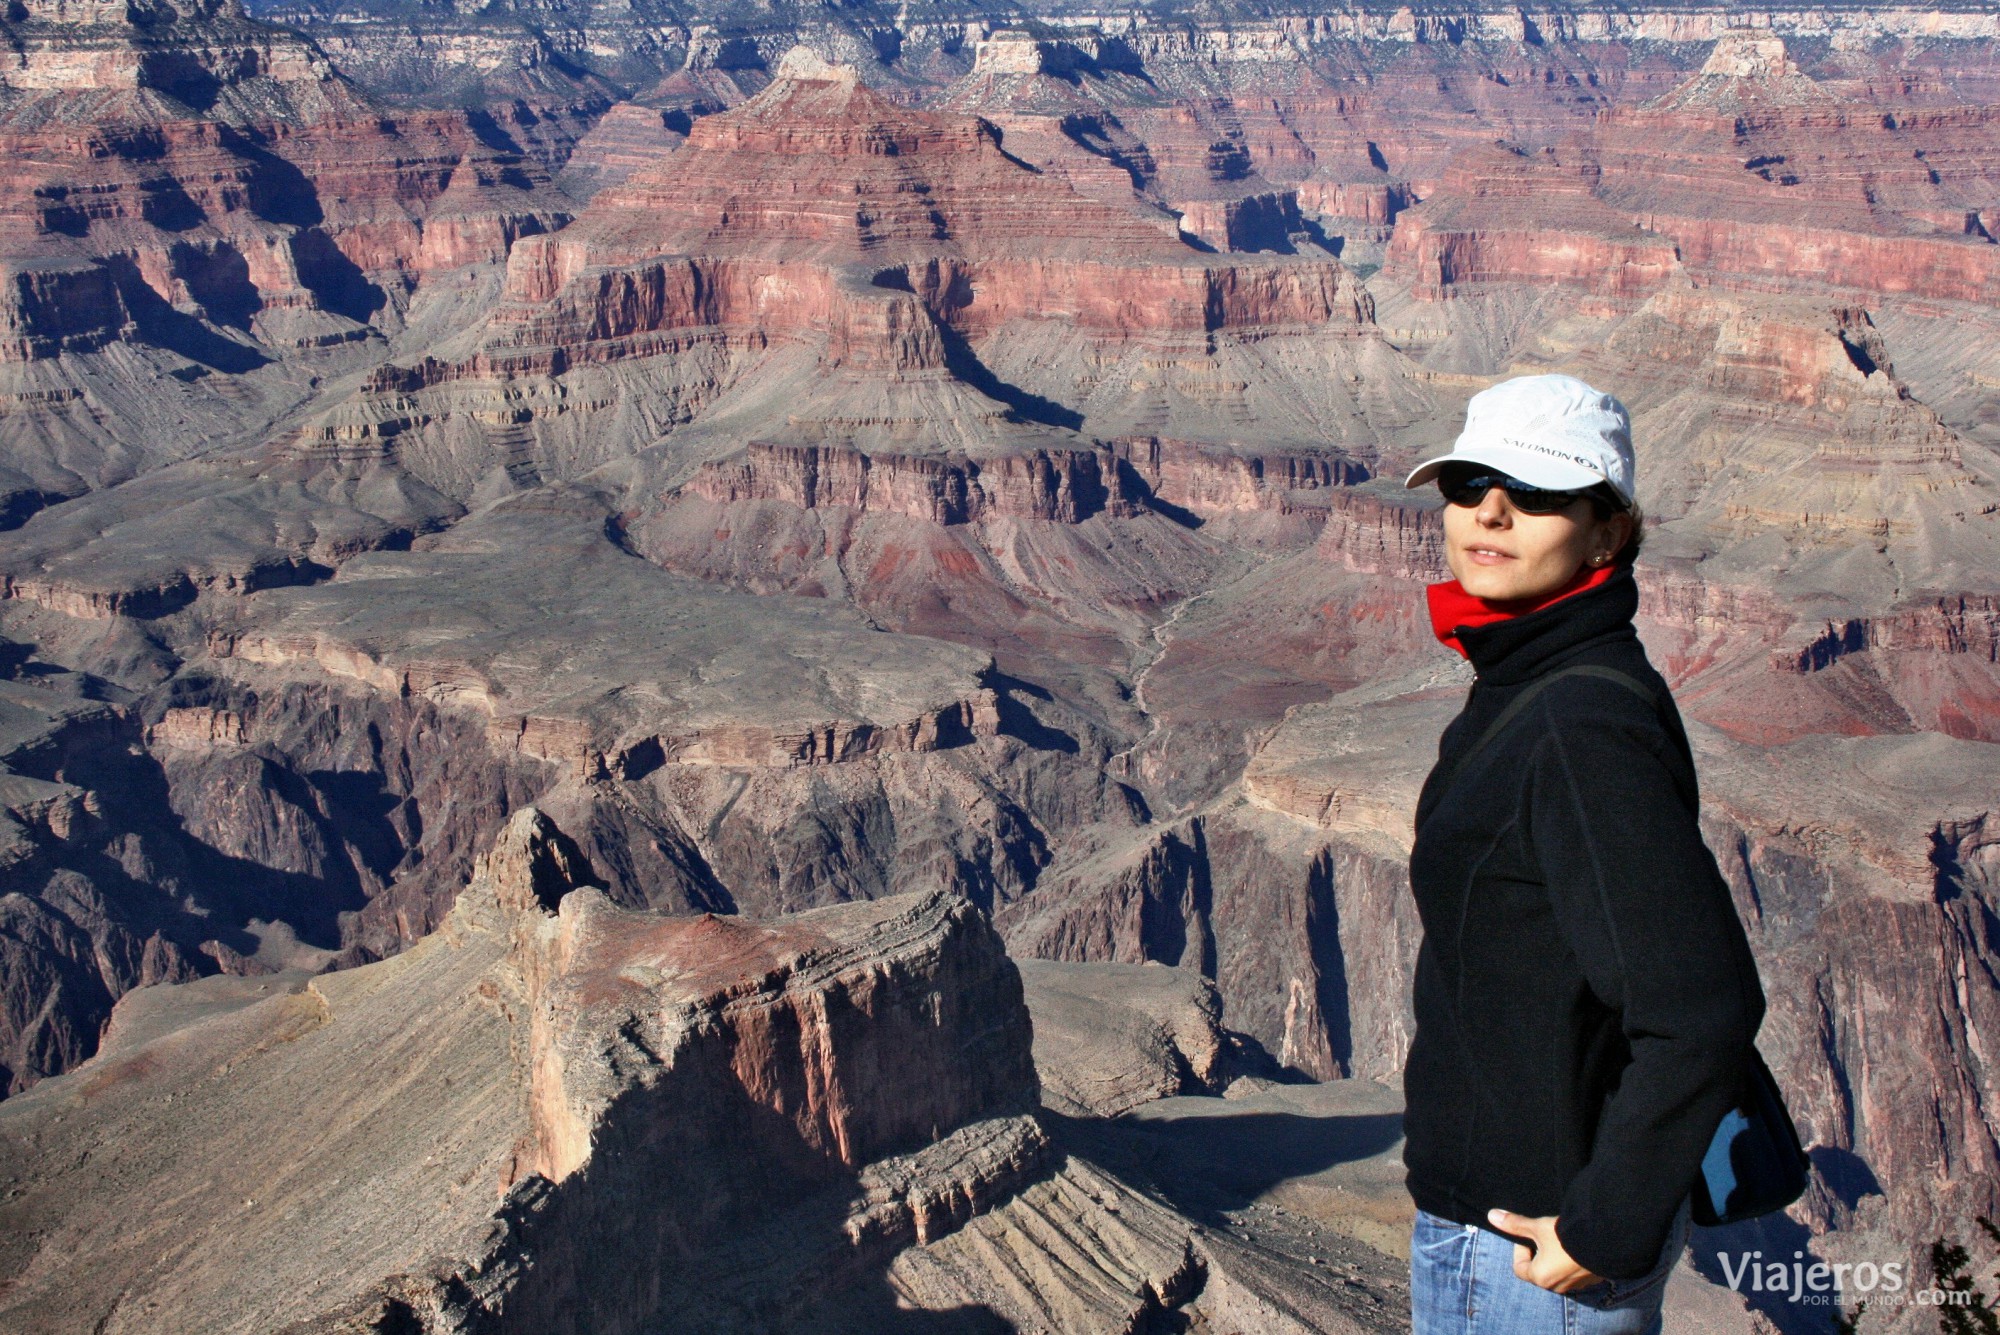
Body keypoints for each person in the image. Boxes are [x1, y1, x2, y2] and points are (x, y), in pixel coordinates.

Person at [1398, 374, 1768, 1334]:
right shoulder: (1535, 677)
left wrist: (1603, 1229)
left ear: (1609, 533)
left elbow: (1702, 1008)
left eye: (1537, 490)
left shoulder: (1577, 720)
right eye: (1470, 479)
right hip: (1504, 1229)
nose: (1490, 509)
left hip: (1525, 1255)